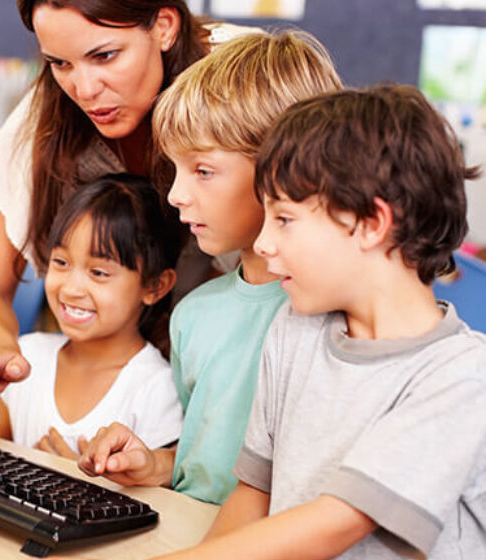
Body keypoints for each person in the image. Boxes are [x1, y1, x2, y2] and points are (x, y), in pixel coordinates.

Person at [69, 85, 486, 560]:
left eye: (284, 219)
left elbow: (335, 522)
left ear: (372, 224)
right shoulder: (293, 330)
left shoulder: (460, 375)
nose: (264, 243)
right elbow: (253, 492)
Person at [0, 1, 254, 417]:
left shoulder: (240, 76)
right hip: (125, 379)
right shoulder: (55, 108)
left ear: (164, 27)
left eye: (105, 56)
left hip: (237, 366)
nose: (85, 90)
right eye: (60, 62)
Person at [77, 30, 342, 504]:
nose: (176, 194)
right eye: (176, 169)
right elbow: (206, 466)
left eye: (203, 170)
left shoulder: (334, 320)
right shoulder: (194, 314)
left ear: (282, 170)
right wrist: (157, 463)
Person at [0, 173, 183, 457]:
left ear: (155, 286)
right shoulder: (26, 359)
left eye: (98, 272)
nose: (72, 288)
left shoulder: (155, 390)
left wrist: (77, 486)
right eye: (61, 262)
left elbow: (159, 497)